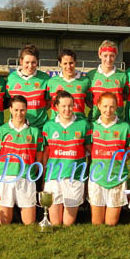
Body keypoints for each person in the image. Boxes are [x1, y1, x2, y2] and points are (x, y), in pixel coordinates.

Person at [41, 91, 92, 226]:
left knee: (68, 223)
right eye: (63, 106)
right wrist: (45, 175)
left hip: (74, 176)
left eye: (70, 106)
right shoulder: (48, 126)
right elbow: (46, 153)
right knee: (56, 223)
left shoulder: (84, 125)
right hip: (54, 177)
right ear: (56, 106)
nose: (67, 109)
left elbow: (90, 150)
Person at [0, 95, 44, 225]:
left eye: (22, 110)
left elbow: (38, 156)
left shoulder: (35, 132)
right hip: (6, 178)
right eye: (16, 110)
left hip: (26, 178)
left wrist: (32, 171)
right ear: (10, 109)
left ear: (26, 110)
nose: (19, 113)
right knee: (4, 222)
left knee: (29, 222)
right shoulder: (1, 131)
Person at [88, 92, 130, 226]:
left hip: (117, 178)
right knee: (97, 222)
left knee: (111, 223)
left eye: (112, 107)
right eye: (105, 106)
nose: (108, 110)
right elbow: (88, 147)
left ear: (117, 107)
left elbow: (129, 150)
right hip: (97, 177)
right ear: (99, 106)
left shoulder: (125, 127)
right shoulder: (91, 126)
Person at [6, 44, 51, 128]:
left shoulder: (45, 78)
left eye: (33, 62)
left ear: (37, 62)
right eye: (27, 62)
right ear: (21, 61)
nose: (30, 66)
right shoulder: (11, 78)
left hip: (39, 127)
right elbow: (8, 100)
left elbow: (49, 101)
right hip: (17, 127)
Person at [87, 40, 127, 121]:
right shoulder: (91, 75)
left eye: (112, 56)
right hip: (95, 121)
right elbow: (87, 99)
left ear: (116, 56)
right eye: (105, 55)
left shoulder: (123, 76)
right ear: (99, 55)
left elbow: (126, 95)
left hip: (117, 121)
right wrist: (98, 108)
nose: (108, 59)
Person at [47, 49, 91, 118]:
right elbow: (46, 104)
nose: (68, 67)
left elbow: (90, 103)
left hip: (78, 124)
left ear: (75, 62)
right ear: (60, 64)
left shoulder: (85, 81)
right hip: (57, 126)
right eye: (65, 63)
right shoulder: (52, 82)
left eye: (71, 63)